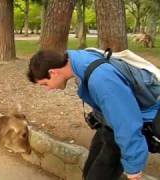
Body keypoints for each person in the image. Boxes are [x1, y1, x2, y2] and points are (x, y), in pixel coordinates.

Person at [27, 49, 160, 180]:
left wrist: (134, 168)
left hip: (138, 118)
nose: (48, 88)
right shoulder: (75, 61)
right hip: (109, 123)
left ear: (53, 72)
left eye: (45, 83)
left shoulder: (101, 79)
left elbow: (127, 123)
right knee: (90, 170)